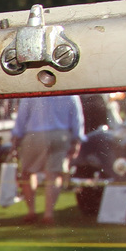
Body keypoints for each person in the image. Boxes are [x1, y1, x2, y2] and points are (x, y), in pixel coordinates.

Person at [12, 94, 83, 223]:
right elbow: (77, 118)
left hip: (34, 135)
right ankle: (48, 214)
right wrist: (77, 140)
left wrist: (16, 136)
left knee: (27, 173)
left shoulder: (31, 91)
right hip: (60, 135)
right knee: (54, 174)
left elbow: (22, 116)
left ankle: (31, 211)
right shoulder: (70, 92)